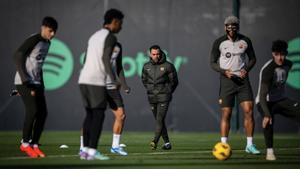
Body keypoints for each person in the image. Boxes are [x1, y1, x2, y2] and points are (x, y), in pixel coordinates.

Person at [78, 8, 124, 160]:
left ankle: (84, 150)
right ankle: (91, 151)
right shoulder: (110, 37)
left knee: (90, 114)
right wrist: (114, 78)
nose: (121, 27)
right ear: (114, 22)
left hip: (83, 80)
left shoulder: (94, 36)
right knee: (98, 115)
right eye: (120, 23)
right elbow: (105, 59)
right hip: (96, 81)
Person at [210, 16, 260, 154]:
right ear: (225, 27)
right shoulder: (219, 42)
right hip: (227, 81)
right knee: (226, 113)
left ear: (238, 27)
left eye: (234, 26)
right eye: (229, 26)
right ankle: (223, 145)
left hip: (243, 81)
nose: (231, 28)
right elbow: (212, 62)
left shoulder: (245, 41)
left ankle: (249, 145)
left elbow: (253, 59)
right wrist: (224, 72)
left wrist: (246, 69)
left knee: (249, 110)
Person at [13, 16, 58, 158]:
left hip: (37, 83)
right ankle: (25, 144)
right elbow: (17, 54)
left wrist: (41, 84)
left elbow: (39, 66)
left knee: (43, 113)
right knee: (32, 110)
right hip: (24, 81)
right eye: (50, 31)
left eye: (55, 32)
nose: (53, 34)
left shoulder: (48, 43)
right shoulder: (35, 39)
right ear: (43, 27)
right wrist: (25, 79)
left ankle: (34, 144)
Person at [79, 42, 130, 156]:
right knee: (92, 116)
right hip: (97, 85)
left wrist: (124, 85)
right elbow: (85, 63)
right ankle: (83, 147)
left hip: (111, 87)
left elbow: (119, 66)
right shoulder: (95, 45)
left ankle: (115, 146)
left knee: (121, 115)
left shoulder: (117, 46)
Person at [256, 40, 300, 161]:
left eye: (282, 54)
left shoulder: (289, 64)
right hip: (265, 101)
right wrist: (266, 114)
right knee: (268, 120)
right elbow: (263, 95)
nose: (280, 57)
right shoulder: (268, 70)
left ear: (286, 53)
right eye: (277, 54)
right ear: (273, 54)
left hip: (280, 99)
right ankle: (269, 152)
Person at [141, 45, 178, 150]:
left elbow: (174, 82)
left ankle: (155, 141)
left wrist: (167, 92)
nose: (156, 56)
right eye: (153, 54)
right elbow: (144, 80)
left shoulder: (168, 66)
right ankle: (167, 143)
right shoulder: (146, 66)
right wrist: (150, 89)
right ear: (150, 54)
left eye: (157, 54)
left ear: (160, 53)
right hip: (152, 97)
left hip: (164, 97)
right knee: (159, 121)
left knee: (159, 119)